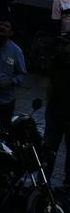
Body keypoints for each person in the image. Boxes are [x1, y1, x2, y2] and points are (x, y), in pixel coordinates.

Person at [44, 35, 70, 192]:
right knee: (48, 150)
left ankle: (68, 186)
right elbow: (51, 84)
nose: (61, 47)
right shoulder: (57, 61)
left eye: (65, 44)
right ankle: (44, 182)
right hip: (55, 114)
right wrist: (48, 109)